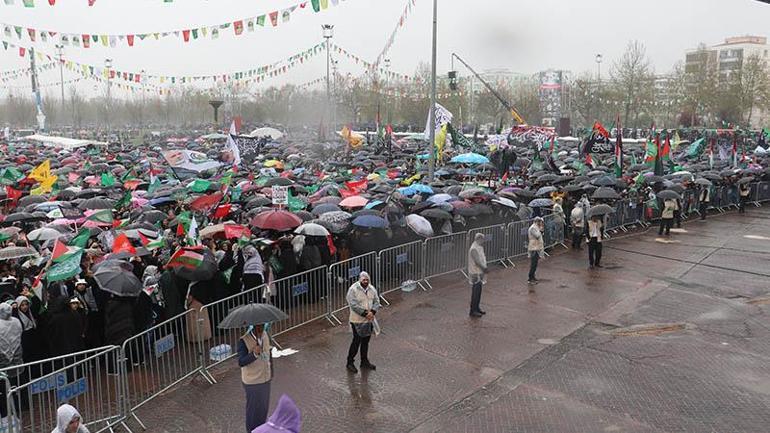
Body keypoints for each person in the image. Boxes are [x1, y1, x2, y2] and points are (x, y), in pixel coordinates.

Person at [238, 323, 273, 433]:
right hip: (252, 382)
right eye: (258, 326)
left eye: (263, 326)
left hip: (265, 379)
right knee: (253, 411)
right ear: (253, 326)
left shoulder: (265, 336)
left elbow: (269, 353)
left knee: (263, 409)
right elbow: (241, 362)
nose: (261, 328)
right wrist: (254, 354)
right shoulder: (243, 341)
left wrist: (271, 372)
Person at [345, 271, 379, 374]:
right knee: (356, 341)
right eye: (364, 280)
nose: (365, 281)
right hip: (357, 320)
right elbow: (353, 304)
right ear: (360, 280)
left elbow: (376, 301)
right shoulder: (353, 289)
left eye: (367, 280)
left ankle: (364, 361)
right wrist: (365, 313)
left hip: (369, 320)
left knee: (365, 341)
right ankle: (350, 362)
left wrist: (372, 311)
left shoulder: (372, 289)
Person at [466, 233, 487, 317]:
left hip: (479, 272)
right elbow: (477, 261)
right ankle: (473, 310)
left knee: (478, 292)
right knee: (475, 292)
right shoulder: (474, 248)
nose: (483, 241)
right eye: (482, 239)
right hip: (475, 272)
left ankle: (477, 308)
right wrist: (484, 268)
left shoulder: (479, 247)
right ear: (479, 239)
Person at [527, 217, 545, 289]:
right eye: (540, 222)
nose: (540, 223)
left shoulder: (536, 227)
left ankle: (533, 277)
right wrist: (540, 229)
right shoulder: (533, 228)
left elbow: (541, 234)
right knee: (533, 263)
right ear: (537, 221)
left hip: (537, 247)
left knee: (535, 263)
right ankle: (530, 278)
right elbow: (537, 235)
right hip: (534, 247)